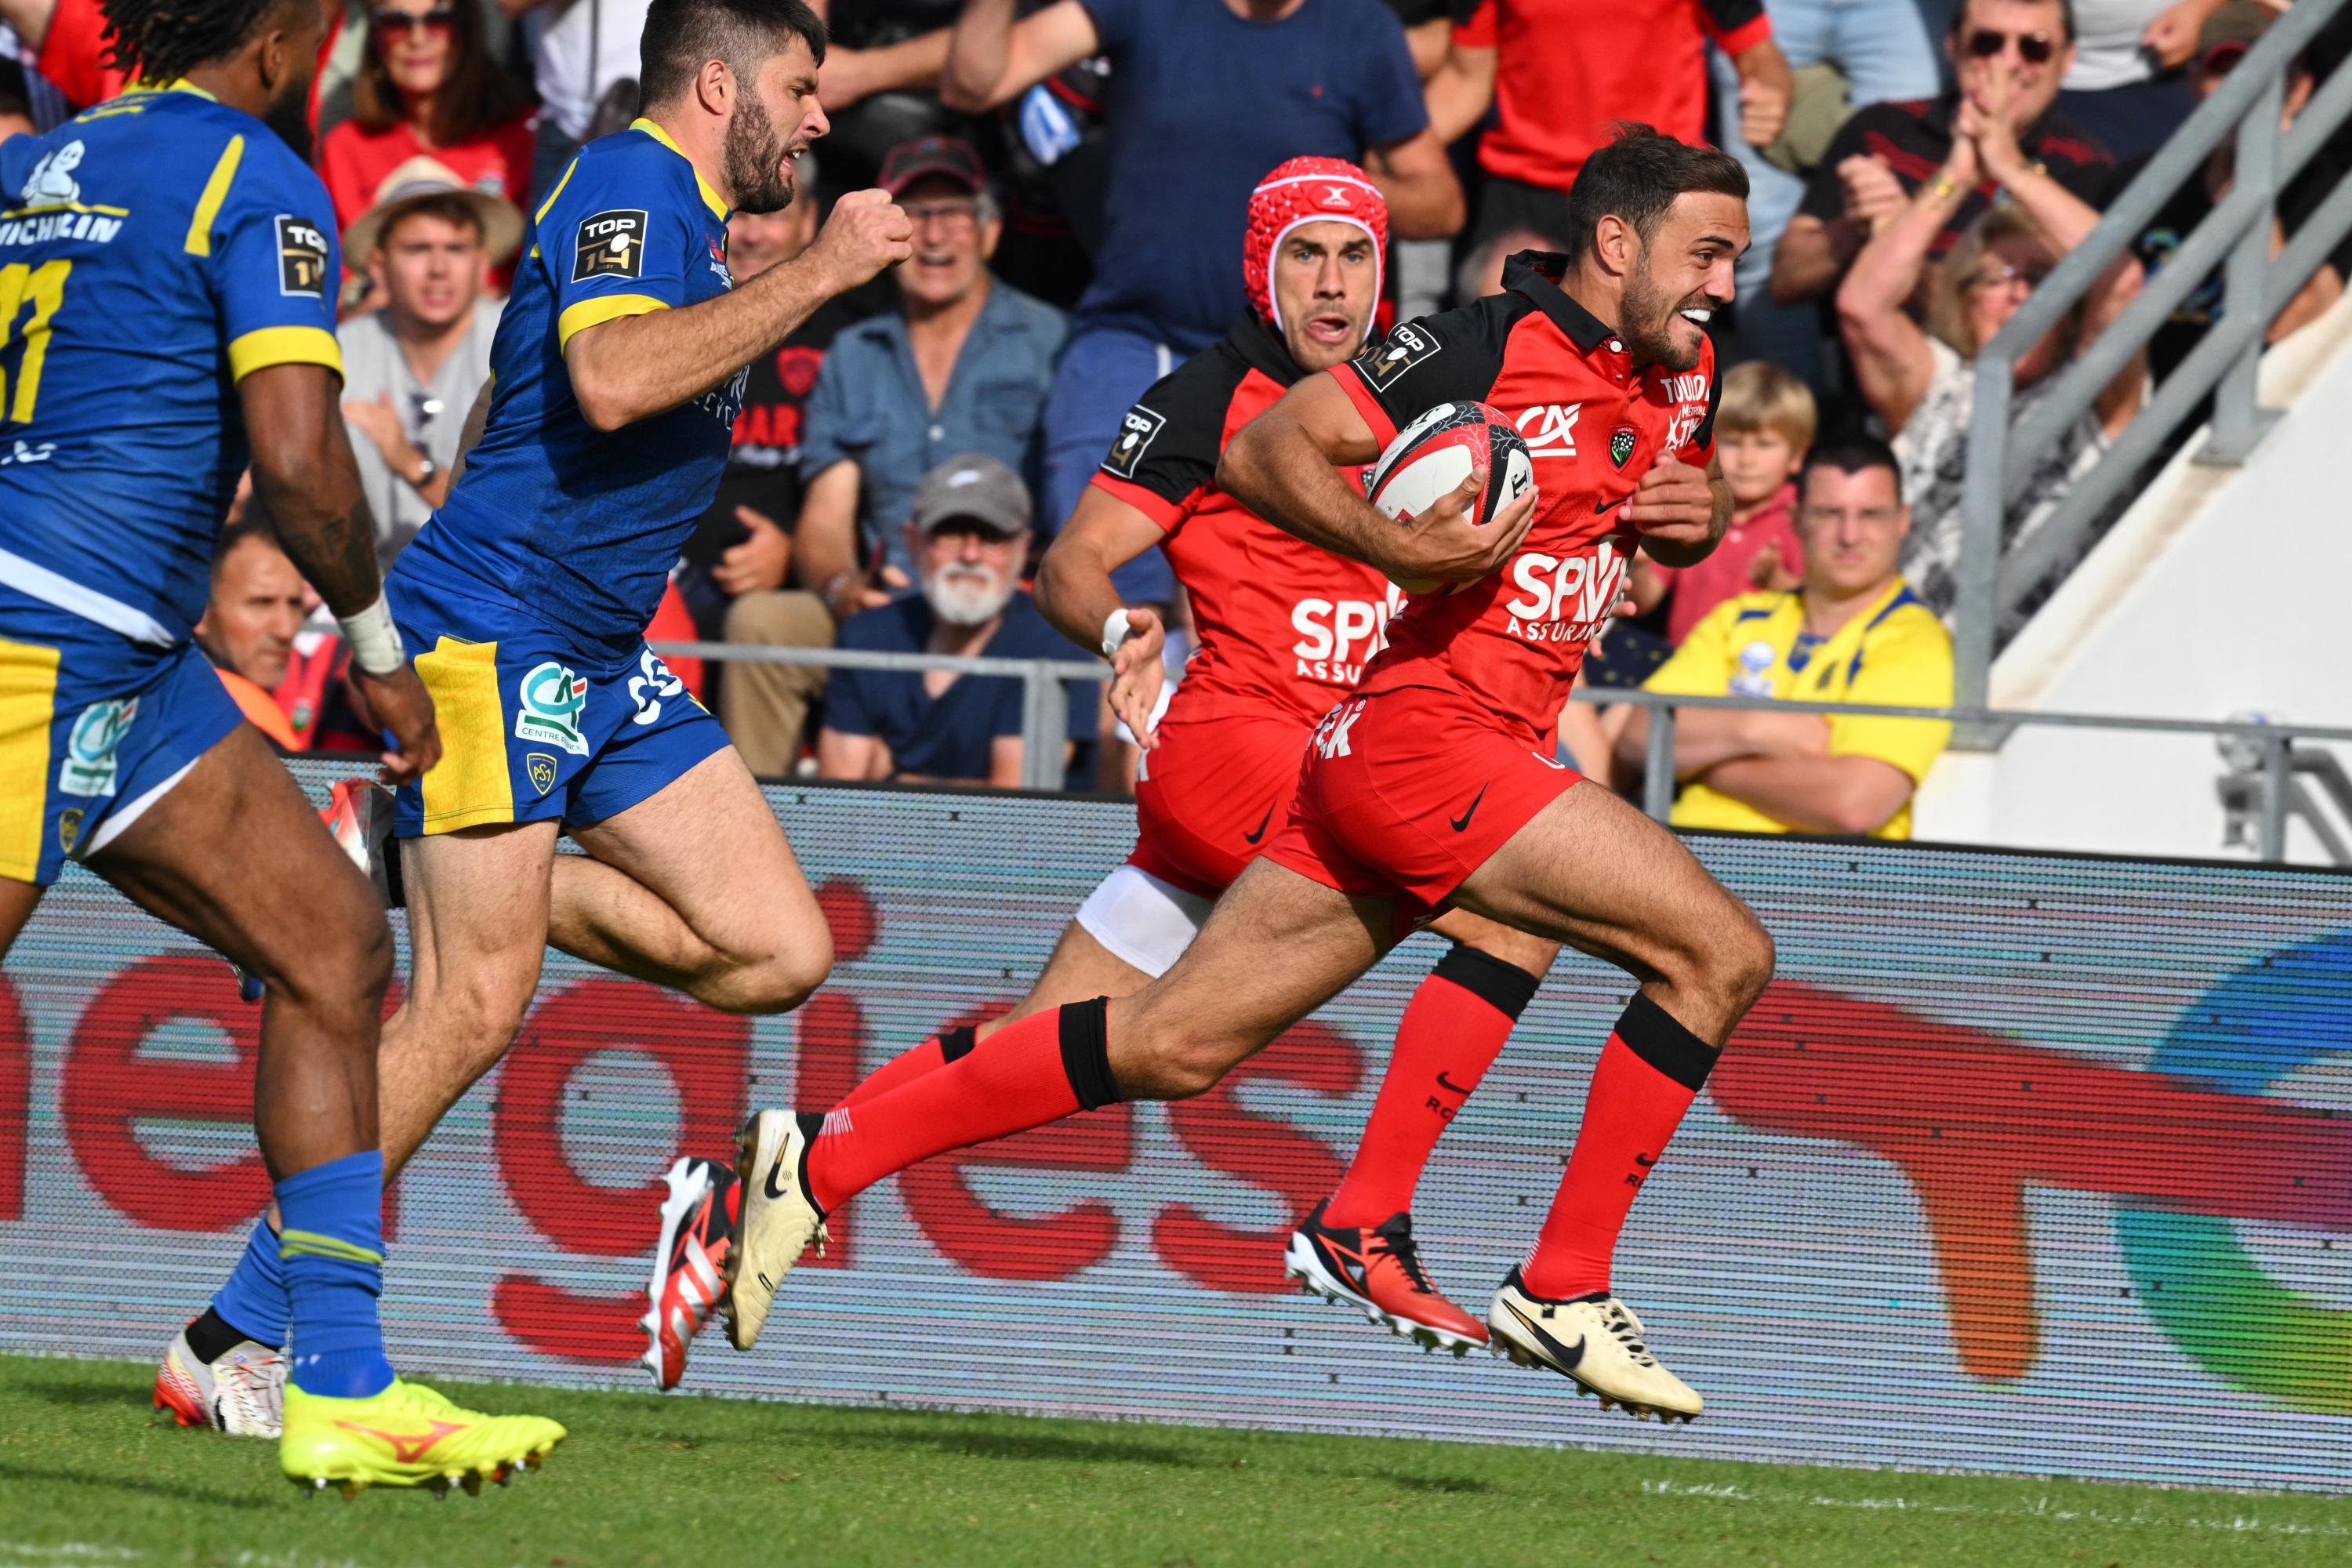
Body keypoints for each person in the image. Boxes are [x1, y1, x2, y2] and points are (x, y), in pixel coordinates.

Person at [724, 128, 1778, 1425]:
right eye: (1707, 251)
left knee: (1172, 1046)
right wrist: (1403, 549)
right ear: (1617, 244)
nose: (1727, 280)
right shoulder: (1474, 348)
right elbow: (1271, 450)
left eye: (1734, 253)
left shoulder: (1690, 366)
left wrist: (1701, 518)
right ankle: (1552, 1278)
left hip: (1366, 757)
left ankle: (823, 1162)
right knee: (1716, 955)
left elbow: (1652, 498)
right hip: (1423, 744)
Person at [637, 158, 1561, 1388]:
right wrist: (1124, 630)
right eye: (1304, 257)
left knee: (1044, 1049)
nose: (1330, 285)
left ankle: (785, 1165)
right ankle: (1364, 1222)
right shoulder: (1200, 401)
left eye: (1352, 256)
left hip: (1319, 769)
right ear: (1259, 268)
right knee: (1509, 909)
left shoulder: (1426, 406)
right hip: (1255, 761)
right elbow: (1073, 567)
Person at [162, 0, 914, 1457]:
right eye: (805, 91)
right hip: (498, 638)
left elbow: (572, 389)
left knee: (782, 948)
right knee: (470, 1008)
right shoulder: (635, 181)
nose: (825, 119)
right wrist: (821, 267)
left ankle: (392, 858)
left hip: (594, 655)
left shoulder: (676, 210)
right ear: (719, 85)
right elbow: (611, 378)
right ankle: (227, 1341)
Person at [0, 0, 565, 1490]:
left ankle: (342, 1384)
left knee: (332, 945)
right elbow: (304, 460)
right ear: (281, 36)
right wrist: (377, 659)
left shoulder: (45, 164)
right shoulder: (250, 172)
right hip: (35, 643)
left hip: (128, 657)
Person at [941, 0, 1464, 608]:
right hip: (1141, 334)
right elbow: (974, 83)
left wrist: (1322, 198)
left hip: (1298, 366)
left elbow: (1440, 202)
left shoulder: (1358, 27)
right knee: (1105, 578)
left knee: (1289, 596)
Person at [723, 132, 1065, 776]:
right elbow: (827, 512)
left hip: (1005, 593)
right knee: (763, 624)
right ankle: (751, 838)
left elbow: (1073, 497)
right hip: (891, 607)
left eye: (954, 214)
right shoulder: (854, 353)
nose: (933, 236)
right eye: (913, 217)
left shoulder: (1050, 340)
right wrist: (840, 587)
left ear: (989, 233)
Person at [1838, 148, 2143, 633]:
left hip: (2040, 665)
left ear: (2069, 307)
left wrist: (2007, 164)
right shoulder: (1939, 385)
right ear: (1966, 297)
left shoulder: (2092, 397)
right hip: (1912, 659)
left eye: (2040, 279)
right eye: (1997, 276)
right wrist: (1957, 173)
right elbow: (1862, 306)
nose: (2018, 294)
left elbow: (2122, 281)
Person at [1614, 436, 1954, 839]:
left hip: (1820, 882)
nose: (1849, 535)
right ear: (1795, 517)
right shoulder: (1739, 618)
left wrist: (1705, 766)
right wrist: (1759, 729)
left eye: (1871, 515)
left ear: (1903, 521)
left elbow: (1852, 805)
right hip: (1686, 862)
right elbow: (1640, 737)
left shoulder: (1914, 642)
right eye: (1829, 513)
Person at [1772, 0, 2114, 309]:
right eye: (1987, 42)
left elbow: (1994, 329)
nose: (2008, 63)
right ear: (1953, 46)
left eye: (2034, 48)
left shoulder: (2083, 167)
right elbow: (1786, 282)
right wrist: (1854, 225)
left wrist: (1903, 233)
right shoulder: (1882, 129)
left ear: (2067, 59)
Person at [1703, 0, 1941, 382]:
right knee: (1753, 236)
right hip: (1768, 10)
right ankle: (1781, 429)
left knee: (1910, 223)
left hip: (1904, 12)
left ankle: (1896, 424)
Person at [815, 455, 1090, 786]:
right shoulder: (865, 637)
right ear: (913, 542)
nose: (970, 555)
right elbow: (836, 803)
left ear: (1023, 547)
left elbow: (1014, 816)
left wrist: (893, 778)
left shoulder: (1053, 643)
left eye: (992, 536)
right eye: (950, 534)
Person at [1428, 0, 1791, 249]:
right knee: (1508, 353)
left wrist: (1771, 95)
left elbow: (1761, 58)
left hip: (1658, 191)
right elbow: (1466, 79)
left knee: (1654, 357)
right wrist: (1393, 153)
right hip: (1525, 195)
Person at [2129, 2, 2352, 384]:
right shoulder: (2145, 183)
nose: (2246, 89)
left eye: (2265, 72)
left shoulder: (2331, 193)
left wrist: (2248, 185)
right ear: (2195, 83)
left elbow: (2282, 319)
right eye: (2226, 71)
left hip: (2260, 426)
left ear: (2300, 91)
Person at [337, 159, 519, 569]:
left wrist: (408, 462)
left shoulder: (519, 340)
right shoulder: (342, 351)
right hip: (367, 589)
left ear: (482, 264)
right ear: (379, 266)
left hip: (498, 585)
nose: (438, 269)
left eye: (455, 249)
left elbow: (515, 523)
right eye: (417, 249)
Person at [317, 0, 535, 239]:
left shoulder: (525, 137)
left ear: (467, 31)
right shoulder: (345, 148)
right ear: (375, 40)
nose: (417, 38)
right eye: (395, 23)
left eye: (439, 20)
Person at [1628, 361, 1810, 645]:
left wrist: (1780, 583)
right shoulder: (1695, 507)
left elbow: (1827, 610)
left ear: (1797, 455)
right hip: (1690, 671)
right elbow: (1643, 602)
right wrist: (1639, 563)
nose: (1747, 460)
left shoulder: (1803, 518)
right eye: (1734, 443)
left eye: (1764, 444)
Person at [197, 516, 309, 752]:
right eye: (261, 603)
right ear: (200, 611)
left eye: (295, 604)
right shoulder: (201, 721)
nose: (286, 631)